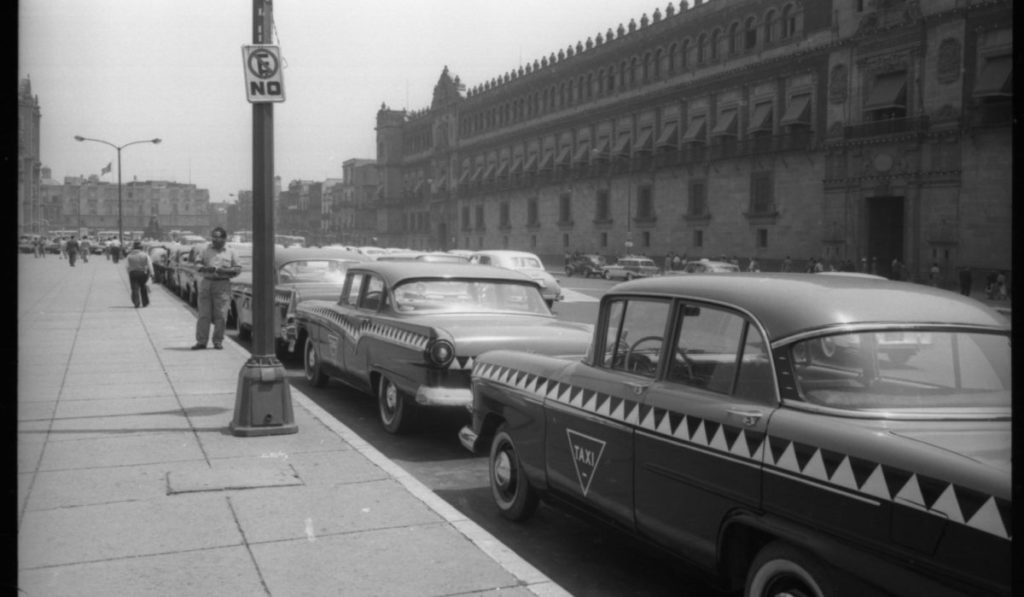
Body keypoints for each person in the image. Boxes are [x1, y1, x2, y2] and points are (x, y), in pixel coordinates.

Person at [192, 227, 242, 350]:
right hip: (207, 283)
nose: (215, 239)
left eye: (218, 237)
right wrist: (204, 268)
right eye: (213, 237)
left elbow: (238, 269)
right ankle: (201, 341)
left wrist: (226, 270)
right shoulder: (205, 250)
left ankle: (218, 341)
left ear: (224, 238)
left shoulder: (231, 252)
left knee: (221, 315)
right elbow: (197, 264)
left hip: (222, 284)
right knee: (204, 315)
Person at [125, 240, 155, 308]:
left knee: (134, 288)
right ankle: (145, 302)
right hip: (143, 273)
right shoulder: (145, 255)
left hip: (133, 273)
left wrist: (129, 273)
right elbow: (150, 265)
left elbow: (127, 266)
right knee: (143, 288)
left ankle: (136, 302)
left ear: (133, 248)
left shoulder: (129, 256)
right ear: (141, 248)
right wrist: (152, 273)